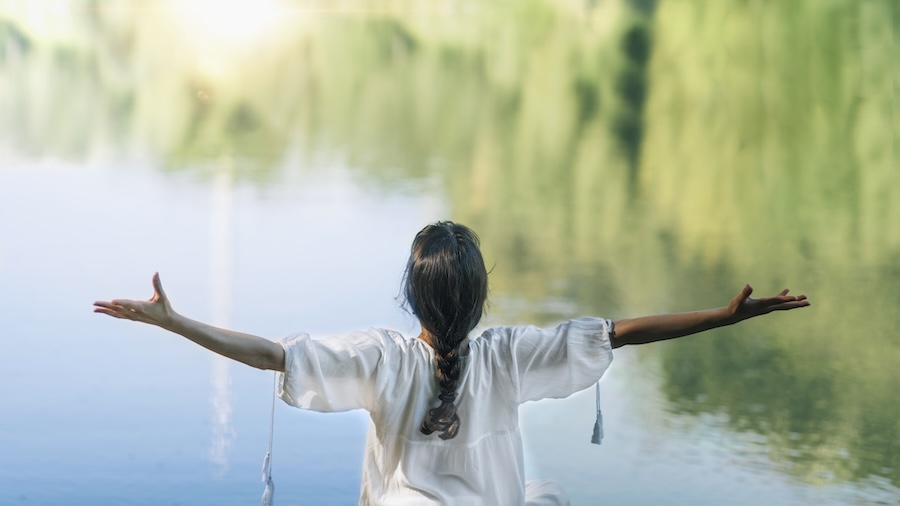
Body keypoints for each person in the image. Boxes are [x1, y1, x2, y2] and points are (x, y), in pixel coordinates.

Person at [93, 221, 810, 505]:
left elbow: (270, 355)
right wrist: (720, 317)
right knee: (546, 494)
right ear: (482, 294)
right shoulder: (510, 354)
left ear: (411, 295)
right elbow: (621, 333)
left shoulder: (382, 357)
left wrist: (174, 321)